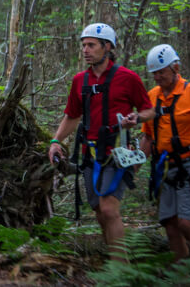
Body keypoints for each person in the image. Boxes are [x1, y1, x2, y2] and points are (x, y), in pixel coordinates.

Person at [48, 23, 154, 257]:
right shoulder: (80, 81)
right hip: (90, 155)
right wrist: (55, 141)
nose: (85, 50)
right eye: (83, 45)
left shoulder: (128, 78)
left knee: (109, 209)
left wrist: (136, 117)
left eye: (91, 45)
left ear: (107, 47)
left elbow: (149, 110)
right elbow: (72, 116)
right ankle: (114, 265)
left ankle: (121, 269)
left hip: (118, 153)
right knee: (98, 210)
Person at [139, 44, 190, 261]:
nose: (157, 77)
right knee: (170, 224)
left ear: (175, 68)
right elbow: (148, 138)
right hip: (165, 168)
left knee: (186, 222)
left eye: (161, 72)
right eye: (154, 73)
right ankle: (183, 272)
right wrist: (135, 164)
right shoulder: (152, 97)